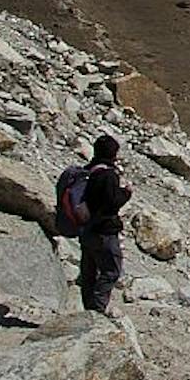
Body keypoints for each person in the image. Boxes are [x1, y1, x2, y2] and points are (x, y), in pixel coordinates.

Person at [79, 134, 131, 314]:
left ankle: (88, 309)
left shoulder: (89, 170)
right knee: (111, 271)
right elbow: (112, 201)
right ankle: (97, 310)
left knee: (89, 274)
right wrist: (126, 193)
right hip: (105, 230)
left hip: (87, 229)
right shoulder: (108, 175)